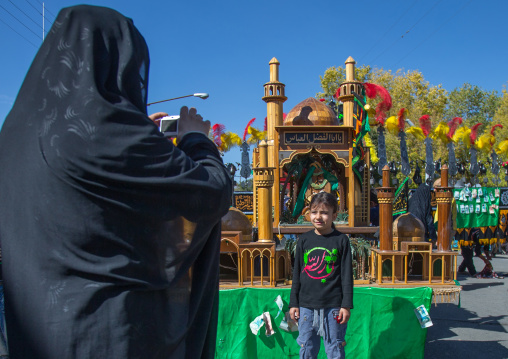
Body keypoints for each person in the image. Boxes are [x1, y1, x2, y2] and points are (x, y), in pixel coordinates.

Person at [0, 5, 231, 359]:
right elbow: (211, 193)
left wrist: (140, 137)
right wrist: (196, 141)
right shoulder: (111, 134)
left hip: (32, 334)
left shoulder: (14, 134)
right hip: (110, 335)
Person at [289, 192, 353, 358]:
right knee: (307, 347)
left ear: (334, 215)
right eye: (314, 212)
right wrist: (293, 303)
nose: (318, 217)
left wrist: (346, 305)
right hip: (306, 306)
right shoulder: (304, 240)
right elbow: (297, 273)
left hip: (333, 306)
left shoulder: (341, 240)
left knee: (334, 347)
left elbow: (346, 275)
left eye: (324, 212)